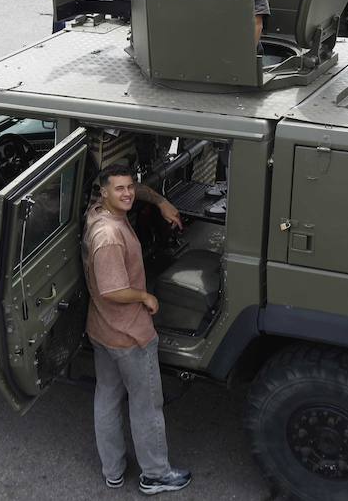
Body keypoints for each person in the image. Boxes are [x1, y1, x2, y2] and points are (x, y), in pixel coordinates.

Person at [83, 164, 191, 495]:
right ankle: (155, 475)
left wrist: (159, 201)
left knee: (107, 398)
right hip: (129, 336)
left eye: (130, 186)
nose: (128, 193)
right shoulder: (109, 237)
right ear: (104, 192)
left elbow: (137, 191)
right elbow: (112, 290)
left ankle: (113, 471)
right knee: (146, 406)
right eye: (120, 189)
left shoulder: (97, 211)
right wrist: (146, 296)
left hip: (102, 329)